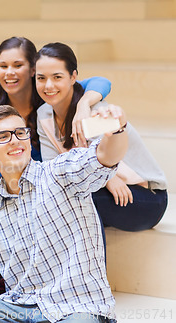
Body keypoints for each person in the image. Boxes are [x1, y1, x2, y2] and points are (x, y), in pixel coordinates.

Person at [0, 104, 125, 322]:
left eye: (20, 133)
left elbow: (104, 156)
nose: (14, 140)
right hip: (20, 307)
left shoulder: (60, 173)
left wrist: (116, 130)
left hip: (77, 307)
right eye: (2, 136)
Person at [35, 42, 167, 232]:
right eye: (41, 78)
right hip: (102, 191)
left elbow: (104, 160)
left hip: (146, 196)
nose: (48, 85)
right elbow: (52, 168)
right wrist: (105, 180)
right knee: (62, 197)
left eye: (57, 77)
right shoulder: (43, 114)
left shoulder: (97, 112)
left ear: (73, 77)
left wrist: (105, 177)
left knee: (79, 200)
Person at [0, 36, 112, 162]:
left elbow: (101, 82)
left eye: (18, 65)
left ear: (33, 69)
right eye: (3, 66)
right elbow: (8, 168)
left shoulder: (50, 96)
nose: (9, 72)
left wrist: (84, 104)